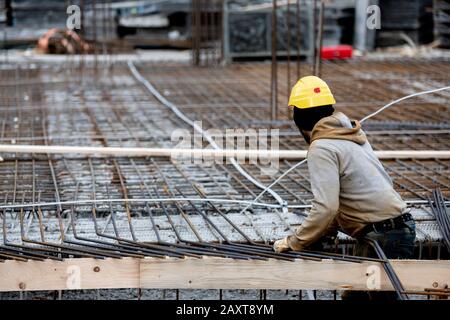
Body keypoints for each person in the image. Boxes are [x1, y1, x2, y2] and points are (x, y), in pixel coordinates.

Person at [273, 76, 416, 300]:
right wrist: (322, 233)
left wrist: (295, 242)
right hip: (396, 229)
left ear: (299, 121)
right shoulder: (354, 136)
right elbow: (353, 196)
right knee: (355, 298)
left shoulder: (321, 147)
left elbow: (326, 207)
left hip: (382, 236)